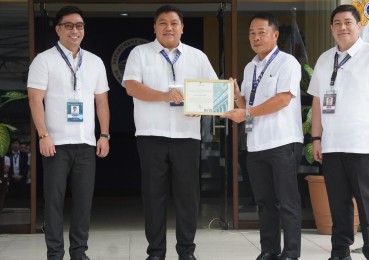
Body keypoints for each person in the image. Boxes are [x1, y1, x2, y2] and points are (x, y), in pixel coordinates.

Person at [122, 5, 217, 260]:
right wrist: (164, 96)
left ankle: (187, 251)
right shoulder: (139, 53)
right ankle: (155, 253)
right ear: (154, 28)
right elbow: (131, 86)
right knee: (154, 197)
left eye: (174, 23)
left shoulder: (197, 56)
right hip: (151, 134)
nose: (168, 27)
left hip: (187, 136)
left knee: (188, 197)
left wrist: (203, 108)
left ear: (182, 27)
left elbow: (214, 91)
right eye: (162, 23)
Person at [307, 5, 369, 260]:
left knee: (368, 204)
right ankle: (339, 253)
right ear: (331, 28)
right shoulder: (325, 59)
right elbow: (317, 101)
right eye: (337, 23)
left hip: (364, 146)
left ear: (360, 25)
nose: (343, 27)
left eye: (348, 22)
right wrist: (316, 138)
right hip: (333, 145)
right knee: (339, 205)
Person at [27, 6, 110, 260]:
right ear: (58, 29)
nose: (75, 30)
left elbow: (102, 102)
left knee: (83, 203)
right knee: (53, 202)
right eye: (69, 25)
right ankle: (54, 253)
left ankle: (79, 252)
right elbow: (34, 99)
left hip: (86, 143)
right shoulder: (44, 60)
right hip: (56, 143)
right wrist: (43, 135)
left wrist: (104, 135)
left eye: (80, 26)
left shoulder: (95, 62)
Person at [221, 12, 303, 260]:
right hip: (256, 144)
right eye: (252, 33)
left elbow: (282, 99)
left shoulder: (288, 63)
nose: (255, 38)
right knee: (265, 202)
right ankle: (269, 250)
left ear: (275, 35)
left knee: (287, 202)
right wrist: (236, 95)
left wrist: (246, 112)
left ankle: (290, 253)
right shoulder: (250, 66)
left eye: (261, 32)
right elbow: (248, 102)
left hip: (282, 142)